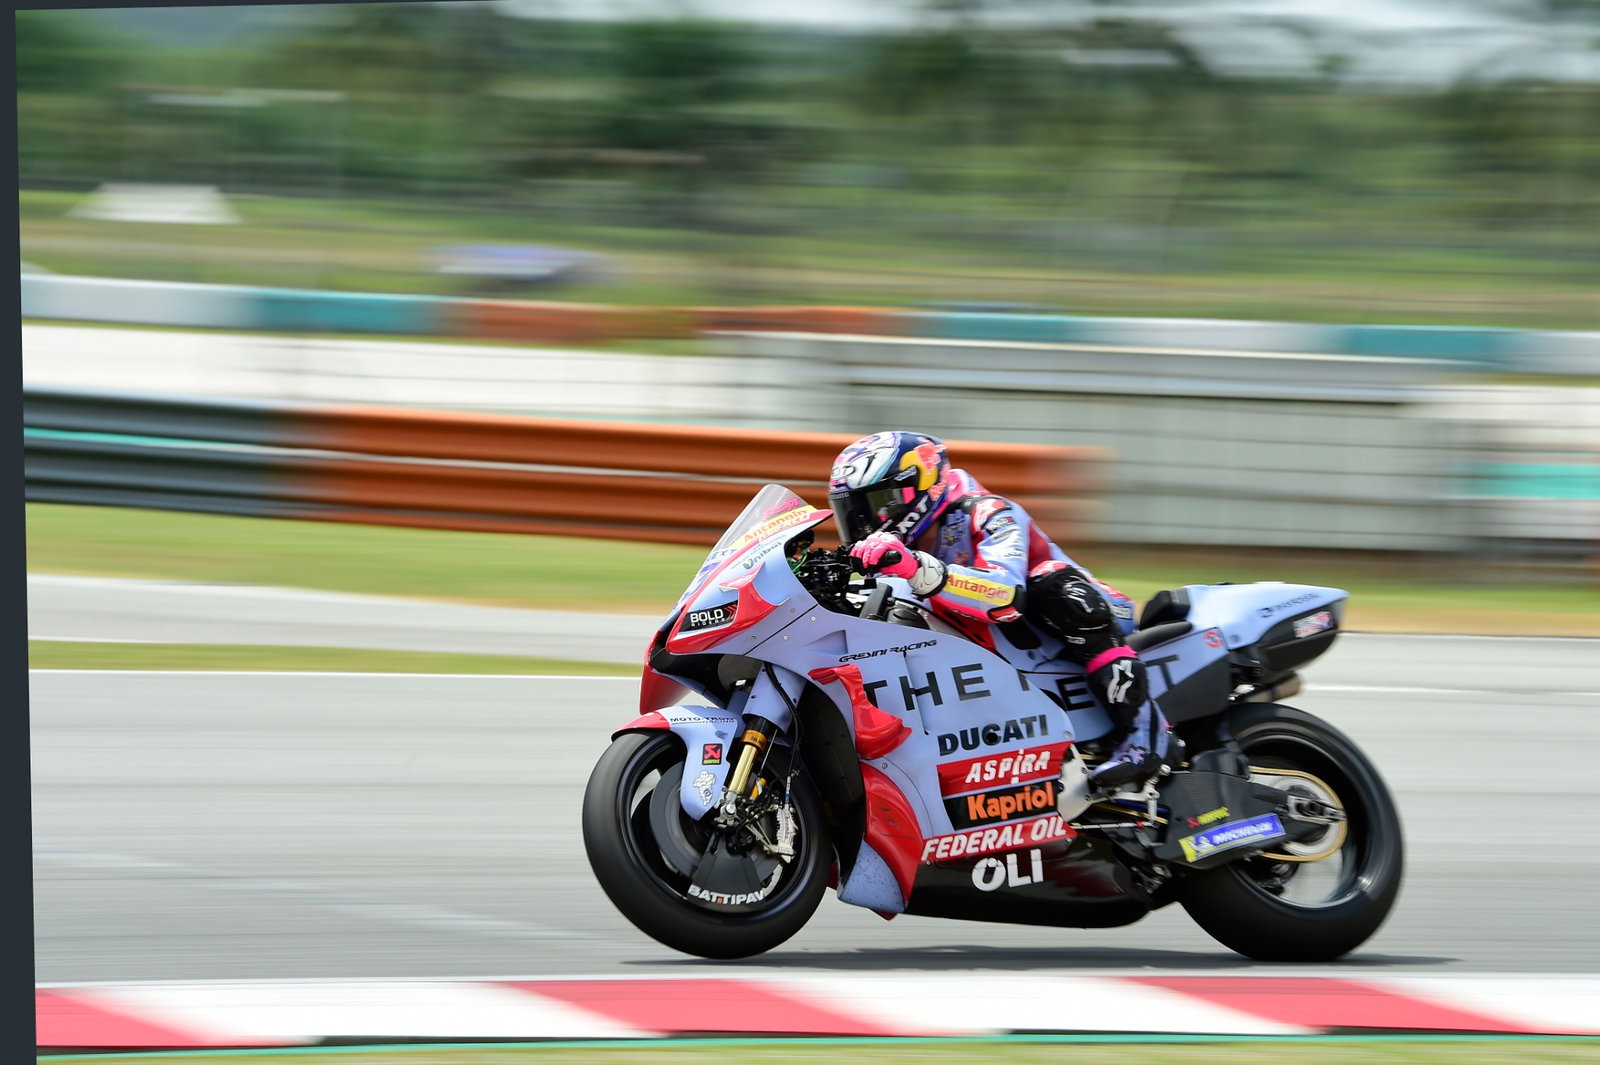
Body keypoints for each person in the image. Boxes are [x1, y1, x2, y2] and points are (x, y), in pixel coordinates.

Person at [827, 430, 1170, 792]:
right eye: (855, 512)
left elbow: (1005, 596)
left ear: (925, 484)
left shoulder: (988, 513)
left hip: (1074, 620)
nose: (870, 523)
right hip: (991, 646)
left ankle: (1146, 736)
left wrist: (918, 570)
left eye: (882, 503)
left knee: (1055, 587)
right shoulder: (891, 552)